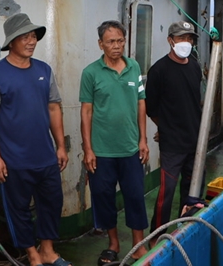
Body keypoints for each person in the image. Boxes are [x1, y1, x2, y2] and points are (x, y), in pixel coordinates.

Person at [0, 13, 71, 266]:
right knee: (18, 209)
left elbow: (54, 108)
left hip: (46, 156)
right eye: (25, 37)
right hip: (14, 159)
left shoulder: (44, 70)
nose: (31, 41)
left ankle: (48, 251)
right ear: (12, 42)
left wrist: (61, 146)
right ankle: (33, 256)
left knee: (51, 203)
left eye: (33, 36)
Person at [80, 20, 149, 265]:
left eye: (120, 40)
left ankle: (139, 245)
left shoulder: (134, 67)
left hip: (130, 148)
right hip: (101, 151)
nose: (116, 46)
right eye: (111, 41)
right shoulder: (90, 73)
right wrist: (88, 149)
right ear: (101, 44)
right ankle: (113, 244)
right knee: (103, 196)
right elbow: (86, 112)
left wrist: (143, 139)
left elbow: (141, 103)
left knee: (135, 196)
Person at [145, 20, 203, 234]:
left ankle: (185, 230)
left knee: (193, 191)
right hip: (172, 144)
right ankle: (156, 236)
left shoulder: (195, 66)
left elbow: (195, 102)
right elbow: (151, 108)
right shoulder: (159, 70)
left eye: (189, 38)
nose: (186, 42)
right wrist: (166, 127)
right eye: (181, 38)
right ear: (170, 40)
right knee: (166, 192)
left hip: (195, 141)